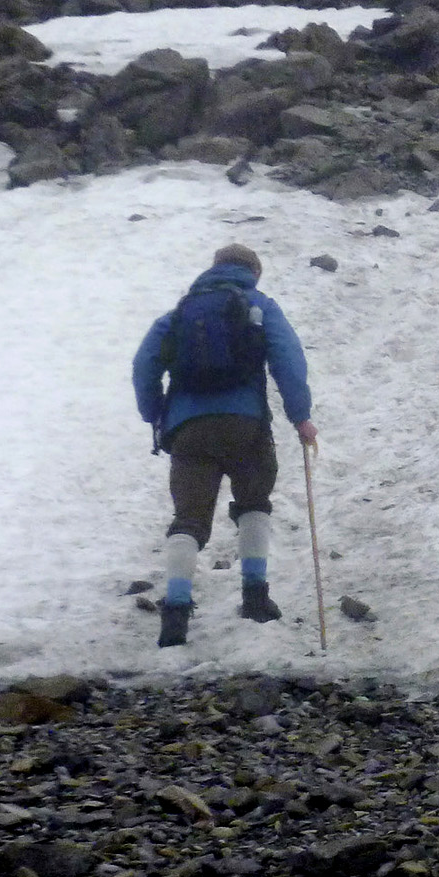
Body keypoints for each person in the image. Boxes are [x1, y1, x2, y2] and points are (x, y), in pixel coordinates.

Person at [131, 244, 318, 648]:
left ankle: (176, 615)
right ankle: (255, 597)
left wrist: (155, 413)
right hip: (245, 425)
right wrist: (300, 416)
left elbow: (144, 364)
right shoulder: (259, 305)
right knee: (253, 502)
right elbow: (288, 358)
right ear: (253, 272)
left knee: (188, 519)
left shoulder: (180, 313)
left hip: (189, 429)